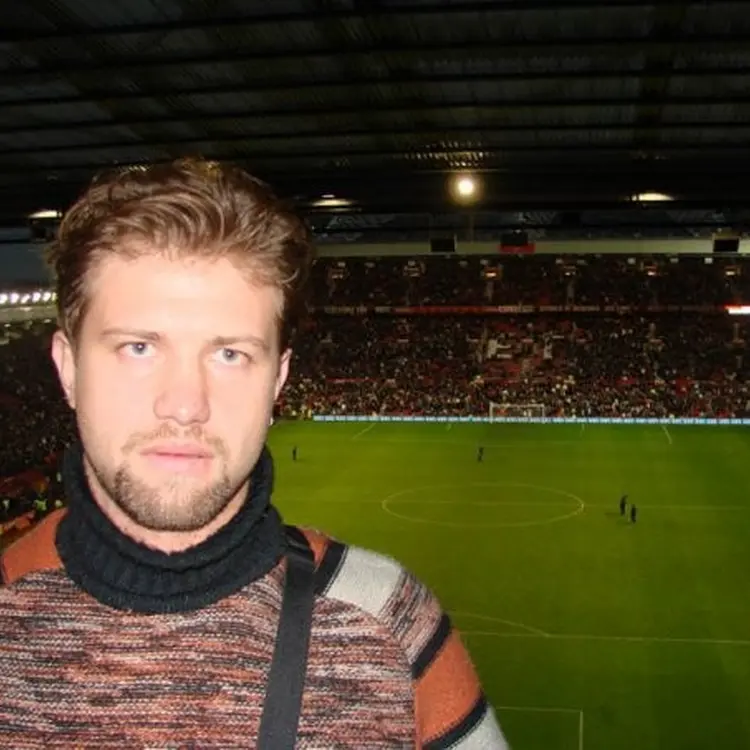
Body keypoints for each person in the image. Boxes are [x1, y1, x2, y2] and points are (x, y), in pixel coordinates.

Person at [0, 158, 507, 749]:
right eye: (139, 347)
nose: (185, 405)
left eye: (230, 355)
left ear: (277, 380)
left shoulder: (391, 622)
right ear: (67, 367)